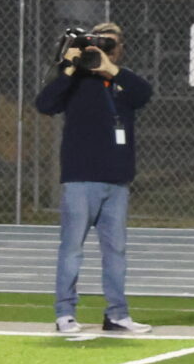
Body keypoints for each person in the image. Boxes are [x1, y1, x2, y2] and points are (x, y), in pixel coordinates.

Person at [34, 20, 153, 335]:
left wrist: (110, 69)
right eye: (100, 43)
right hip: (81, 178)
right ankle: (65, 314)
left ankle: (117, 315)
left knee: (116, 251)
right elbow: (45, 104)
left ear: (120, 48)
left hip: (117, 179)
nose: (106, 50)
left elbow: (145, 94)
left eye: (111, 44)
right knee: (72, 248)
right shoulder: (75, 81)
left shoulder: (122, 81)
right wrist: (70, 67)